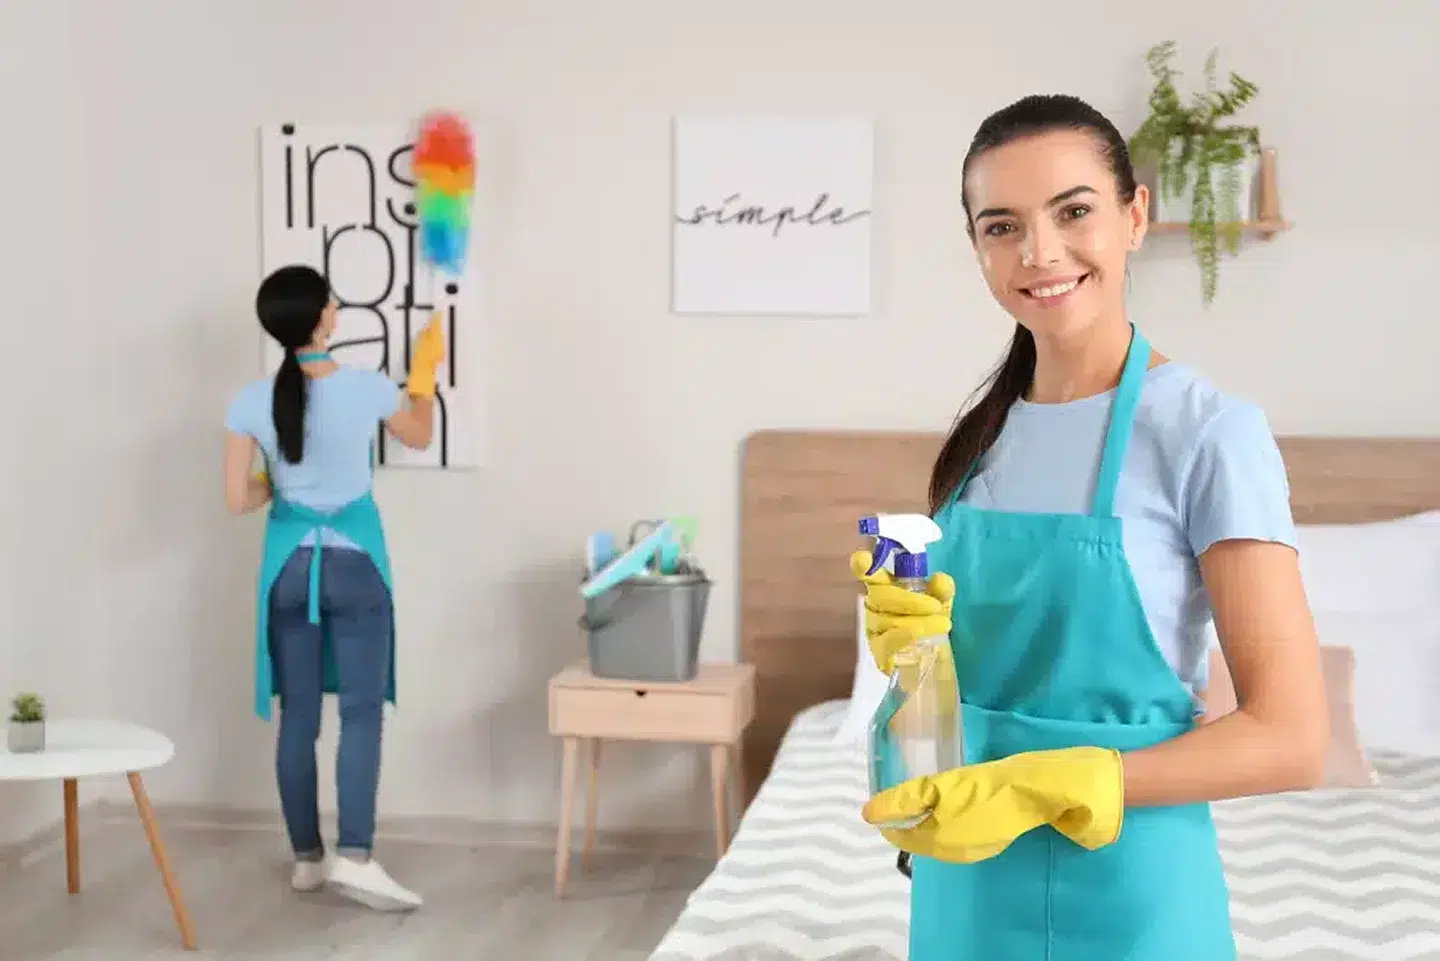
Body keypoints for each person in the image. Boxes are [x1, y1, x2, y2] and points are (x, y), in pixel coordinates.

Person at [853, 95, 1329, 960]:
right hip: (966, 890)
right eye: (1002, 226)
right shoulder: (977, 442)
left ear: (1133, 216)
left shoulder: (1208, 432)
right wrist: (914, 656)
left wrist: (1071, 779)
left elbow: (1294, 736)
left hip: (1132, 898)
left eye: (1073, 211)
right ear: (976, 248)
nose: (1040, 253)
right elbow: (965, 699)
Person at [223, 264, 444, 912]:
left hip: (288, 566)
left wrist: (287, 493)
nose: (337, 304)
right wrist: (424, 373)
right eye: (331, 298)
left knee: (298, 715)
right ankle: (357, 856)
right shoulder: (367, 389)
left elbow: (237, 497)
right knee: (360, 711)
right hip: (355, 565)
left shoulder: (249, 401)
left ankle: (306, 860)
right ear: (322, 317)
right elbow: (420, 434)